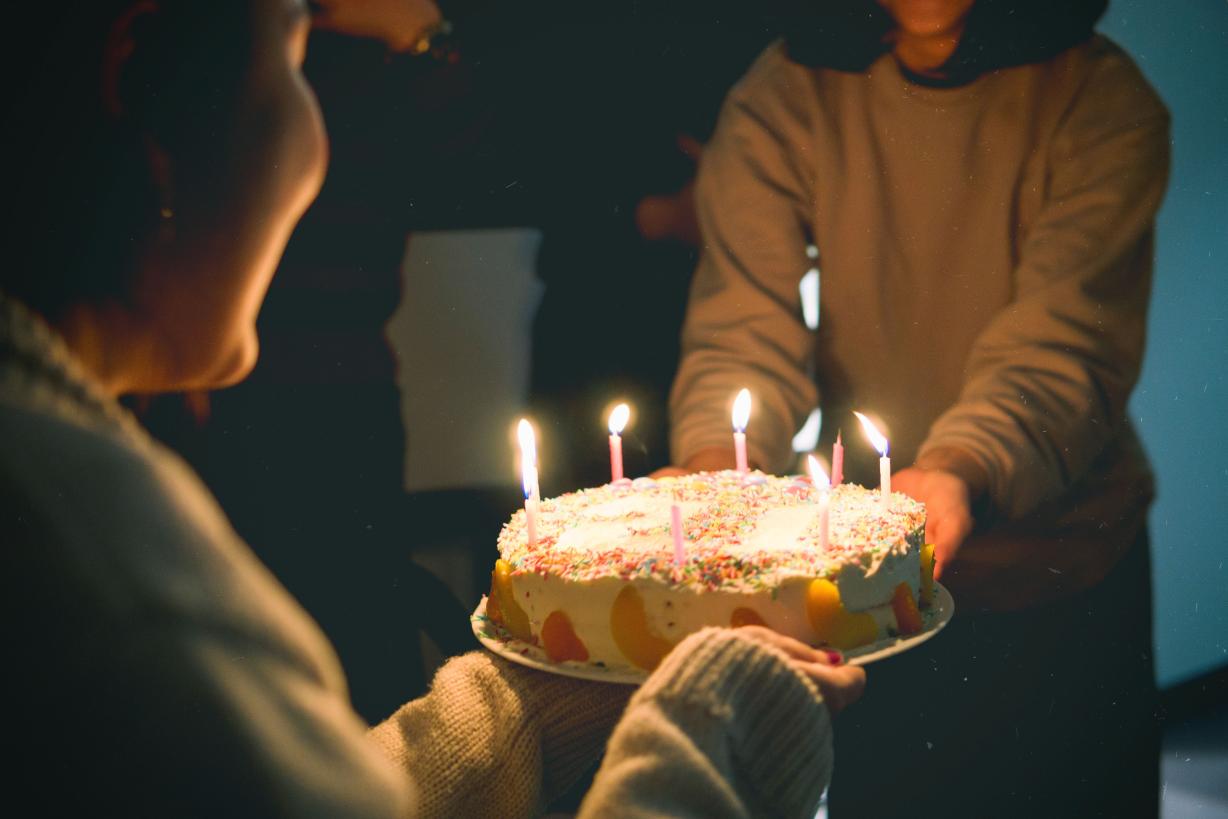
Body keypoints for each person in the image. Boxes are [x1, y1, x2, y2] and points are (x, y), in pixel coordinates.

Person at [1, 1, 865, 816]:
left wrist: (532, 706)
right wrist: (712, 719)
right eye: (296, 56)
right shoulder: (118, 586)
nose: (318, 146)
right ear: (146, 76)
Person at [663, 0, 1169, 815]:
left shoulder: (1101, 99)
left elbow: (1064, 342)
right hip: (870, 588)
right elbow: (744, 324)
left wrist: (964, 466)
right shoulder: (784, 93)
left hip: (1061, 574)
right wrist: (719, 468)